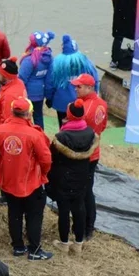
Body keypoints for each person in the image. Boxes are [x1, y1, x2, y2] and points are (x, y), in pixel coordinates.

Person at [0, 98, 53, 260]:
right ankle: (34, 250)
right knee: (34, 216)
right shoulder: (35, 134)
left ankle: (18, 246)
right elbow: (46, 159)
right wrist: (43, 174)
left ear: (12, 112)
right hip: (31, 183)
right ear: (29, 114)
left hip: (8, 181)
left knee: (14, 213)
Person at [49, 100, 97, 253]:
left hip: (63, 178)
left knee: (64, 210)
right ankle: (78, 242)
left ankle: (64, 242)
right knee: (79, 208)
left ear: (68, 115)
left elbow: (52, 157)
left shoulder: (61, 137)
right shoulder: (90, 133)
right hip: (82, 176)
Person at [73, 73, 108, 239]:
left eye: (79, 86)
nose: (75, 89)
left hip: (84, 154)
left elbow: (77, 131)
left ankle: (86, 227)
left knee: (83, 192)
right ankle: (87, 225)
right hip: (94, 152)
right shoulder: (102, 104)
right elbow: (104, 126)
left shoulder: (84, 108)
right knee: (87, 190)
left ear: (89, 88)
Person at [45, 35, 99, 125]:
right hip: (82, 102)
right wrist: (95, 95)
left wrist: (49, 98)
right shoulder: (85, 63)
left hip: (62, 103)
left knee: (63, 127)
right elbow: (95, 80)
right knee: (81, 125)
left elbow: (50, 84)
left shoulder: (56, 64)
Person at [19, 31, 55, 129]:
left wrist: (18, 94)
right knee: (38, 117)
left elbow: (21, 78)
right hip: (40, 94)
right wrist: (49, 96)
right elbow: (49, 80)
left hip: (27, 94)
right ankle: (40, 136)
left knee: (25, 117)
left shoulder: (29, 60)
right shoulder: (49, 58)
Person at [110, 0, 138, 69]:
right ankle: (138, 58)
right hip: (132, 14)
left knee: (118, 37)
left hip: (119, 13)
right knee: (138, 37)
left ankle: (114, 60)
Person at [0, 57, 28, 125]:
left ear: (5, 76)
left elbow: (8, 120)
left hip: (1, 127)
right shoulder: (17, 82)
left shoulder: (9, 96)